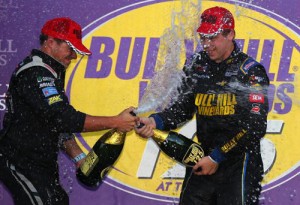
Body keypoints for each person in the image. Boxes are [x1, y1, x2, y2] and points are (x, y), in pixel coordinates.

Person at [135, 6, 269, 205]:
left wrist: (217, 157)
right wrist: (155, 121)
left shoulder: (250, 72)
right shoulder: (196, 65)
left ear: (230, 34)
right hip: (202, 159)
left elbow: (255, 126)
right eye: (203, 38)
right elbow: (182, 108)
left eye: (212, 38)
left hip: (239, 163)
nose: (206, 44)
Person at [0, 17, 138, 205]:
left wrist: (79, 157)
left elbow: (56, 124)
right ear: (50, 42)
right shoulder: (36, 72)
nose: (73, 56)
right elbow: (63, 118)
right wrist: (116, 121)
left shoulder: (51, 71)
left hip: (41, 165)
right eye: (70, 48)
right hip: (19, 162)